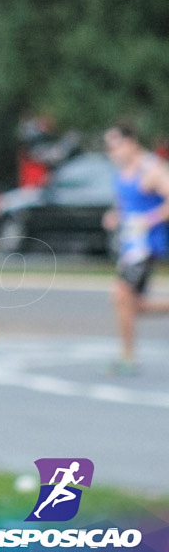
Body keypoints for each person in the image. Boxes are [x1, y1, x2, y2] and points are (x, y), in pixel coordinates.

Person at [103, 124, 169, 375]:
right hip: (129, 247)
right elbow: (125, 205)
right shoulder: (121, 173)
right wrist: (114, 216)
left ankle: (128, 358)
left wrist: (149, 219)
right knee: (134, 305)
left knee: (120, 295)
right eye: (108, 147)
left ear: (131, 143)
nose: (112, 152)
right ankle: (127, 356)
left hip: (146, 247)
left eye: (115, 144)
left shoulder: (150, 169)